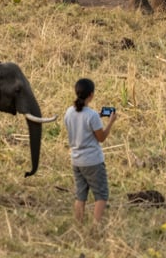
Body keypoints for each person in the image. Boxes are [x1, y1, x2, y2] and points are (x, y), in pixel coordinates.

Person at [64, 77, 117, 224]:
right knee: (101, 195)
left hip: (76, 160)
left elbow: (78, 125)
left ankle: (79, 224)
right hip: (92, 161)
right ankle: (95, 225)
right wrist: (110, 122)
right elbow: (101, 138)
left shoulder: (69, 112)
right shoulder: (92, 115)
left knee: (80, 196)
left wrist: (96, 118)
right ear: (91, 95)